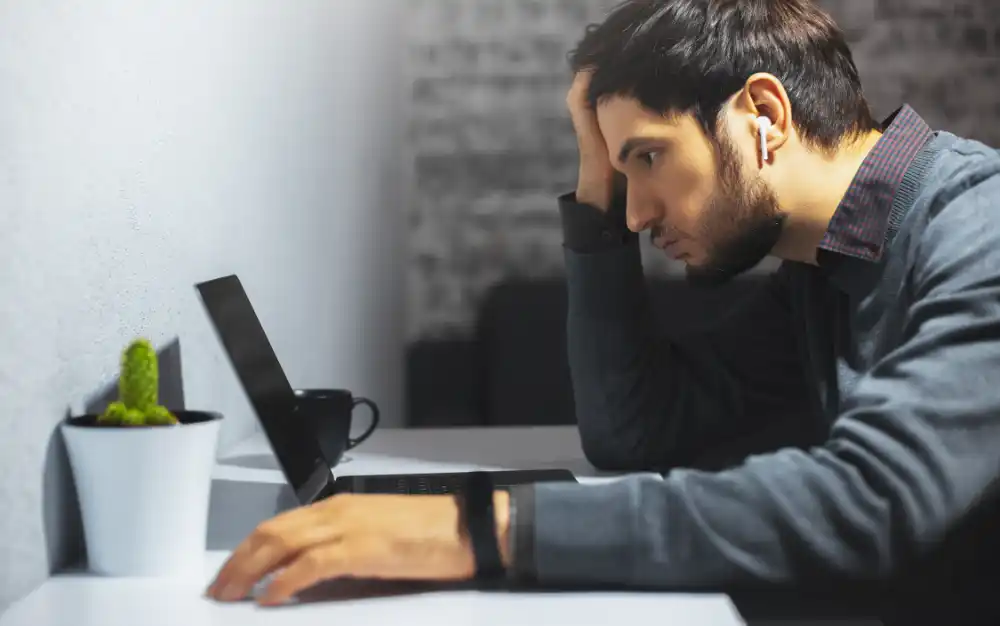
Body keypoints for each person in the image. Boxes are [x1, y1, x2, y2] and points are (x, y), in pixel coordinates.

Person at [207, 0, 1000, 611]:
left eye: (649, 158)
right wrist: (598, 174)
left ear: (764, 117)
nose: (634, 215)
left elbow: (870, 499)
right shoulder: (822, 271)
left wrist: (479, 527)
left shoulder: (979, 227)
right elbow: (635, 429)